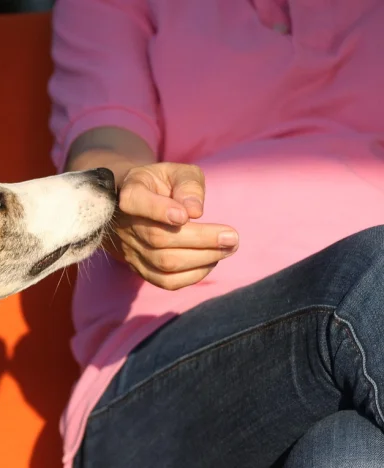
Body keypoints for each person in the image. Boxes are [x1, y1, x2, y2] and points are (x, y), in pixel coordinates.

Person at [47, 1, 384, 467]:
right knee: (370, 276)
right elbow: (105, 141)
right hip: (170, 368)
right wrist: (126, 196)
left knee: (348, 449)